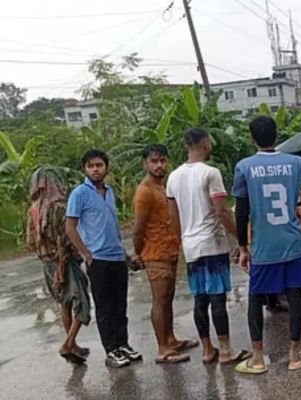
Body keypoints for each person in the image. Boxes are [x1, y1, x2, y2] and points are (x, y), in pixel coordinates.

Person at [232, 116, 301, 374]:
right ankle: (294, 354)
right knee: (294, 296)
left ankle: (257, 358)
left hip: (264, 247)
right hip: (293, 243)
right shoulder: (296, 163)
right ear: (277, 136)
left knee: (256, 298)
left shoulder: (244, 167)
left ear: (251, 137)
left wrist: (243, 247)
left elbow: (241, 211)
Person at [166, 128, 250, 365]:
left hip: (190, 245)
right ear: (205, 144)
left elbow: (173, 215)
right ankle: (225, 350)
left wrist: (182, 237)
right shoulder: (211, 173)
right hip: (211, 243)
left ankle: (207, 349)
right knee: (217, 298)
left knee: (199, 299)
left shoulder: (173, 177)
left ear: (186, 146)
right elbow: (221, 211)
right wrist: (240, 238)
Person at [65, 149, 141, 368]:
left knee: (120, 305)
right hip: (97, 259)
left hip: (116, 257)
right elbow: (70, 227)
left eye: (99, 165)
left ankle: (123, 344)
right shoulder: (79, 193)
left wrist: (124, 253)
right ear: (85, 169)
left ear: (106, 167)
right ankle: (111, 350)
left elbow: (114, 226)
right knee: (105, 307)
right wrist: (85, 254)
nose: (95, 170)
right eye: (91, 166)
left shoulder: (109, 191)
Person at [132, 144, 198, 364]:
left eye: (162, 160)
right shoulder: (145, 192)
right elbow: (138, 228)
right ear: (145, 164)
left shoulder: (163, 187)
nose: (159, 165)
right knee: (159, 300)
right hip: (155, 252)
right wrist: (137, 252)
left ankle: (171, 339)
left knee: (168, 297)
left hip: (169, 249)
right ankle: (163, 348)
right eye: (154, 161)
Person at [26, 167, 92, 365]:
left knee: (64, 302)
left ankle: (73, 344)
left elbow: (30, 242)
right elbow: (70, 237)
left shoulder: (33, 210)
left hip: (47, 263)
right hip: (65, 262)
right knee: (82, 302)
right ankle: (69, 343)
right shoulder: (60, 208)